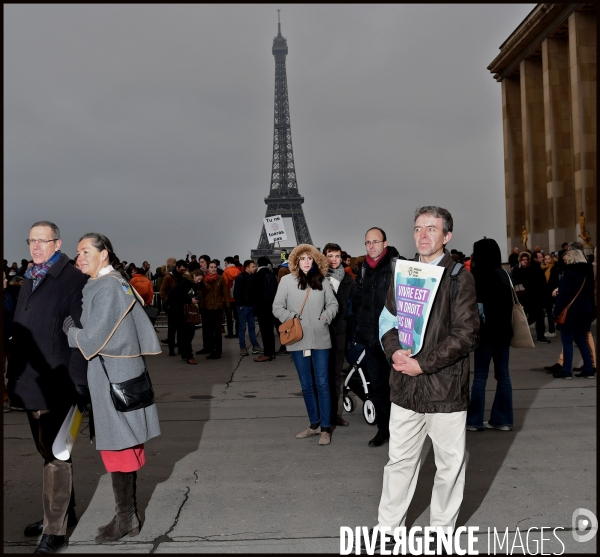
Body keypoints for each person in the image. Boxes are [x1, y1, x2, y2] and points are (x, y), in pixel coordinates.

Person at [374, 206, 479, 543]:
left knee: (448, 466)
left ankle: (441, 533)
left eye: (431, 229)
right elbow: (388, 320)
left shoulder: (459, 277)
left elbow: (465, 334)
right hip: (405, 386)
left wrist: (424, 363)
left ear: (446, 236)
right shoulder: (404, 272)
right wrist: (394, 352)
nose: (422, 235)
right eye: (418, 228)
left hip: (444, 389)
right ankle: (388, 531)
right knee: (399, 462)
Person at [65, 232, 161, 544]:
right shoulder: (113, 282)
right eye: (77, 252)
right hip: (120, 373)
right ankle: (127, 516)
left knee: (118, 447)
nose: (79, 257)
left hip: (111, 377)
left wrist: (70, 330)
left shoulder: (107, 287)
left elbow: (92, 341)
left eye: (85, 251)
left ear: (104, 253)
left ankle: (126, 518)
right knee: (123, 446)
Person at [6, 221, 89, 553]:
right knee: (46, 451)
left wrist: (79, 385)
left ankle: (55, 531)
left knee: (58, 455)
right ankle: (62, 513)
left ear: (58, 243)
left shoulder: (72, 280)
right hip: (30, 382)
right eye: (32, 240)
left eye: (44, 241)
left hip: (59, 384)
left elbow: (82, 337)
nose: (36, 246)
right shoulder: (31, 276)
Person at [272, 244, 338, 445]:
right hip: (297, 339)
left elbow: (333, 304)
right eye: (302, 259)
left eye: (310, 258)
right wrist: (291, 317)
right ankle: (314, 424)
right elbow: (276, 307)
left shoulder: (322, 280)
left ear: (315, 260)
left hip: (321, 339)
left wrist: (326, 317)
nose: (306, 262)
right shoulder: (286, 281)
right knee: (307, 385)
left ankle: (326, 428)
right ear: (296, 261)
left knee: (323, 384)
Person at [356, 227, 400, 447]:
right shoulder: (363, 269)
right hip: (371, 339)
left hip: (392, 339)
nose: (371, 246)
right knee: (378, 387)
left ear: (385, 243)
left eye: (375, 241)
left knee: (399, 386)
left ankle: (402, 431)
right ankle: (384, 429)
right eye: (367, 242)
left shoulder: (396, 266)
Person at [466, 238, 514, 431]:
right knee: (503, 375)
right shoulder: (503, 274)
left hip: (486, 333)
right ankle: (503, 419)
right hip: (504, 332)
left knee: (480, 376)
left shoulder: (479, 275)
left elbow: (477, 307)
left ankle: (475, 420)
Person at [323, 243, 358, 428]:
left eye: (337, 256)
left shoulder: (348, 280)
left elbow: (356, 305)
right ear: (324, 257)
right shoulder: (317, 278)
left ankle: (333, 414)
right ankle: (323, 414)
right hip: (321, 330)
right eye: (330, 255)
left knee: (336, 374)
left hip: (340, 331)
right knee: (322, 375)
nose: (334, 259)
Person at [551, 243, 596, 379]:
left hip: (571, 312)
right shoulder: (589, 273)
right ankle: (589, 369)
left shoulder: (569, 273)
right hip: (585, 310)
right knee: (581, 339)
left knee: (567, 340)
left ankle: (566, 371)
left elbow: (564, 296)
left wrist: (556, 311)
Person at [168, 269, 204, 365]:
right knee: (188, 334)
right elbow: (175, 294)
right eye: (199, 279)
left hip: (184, 312)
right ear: (194, 275)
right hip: (183, 312)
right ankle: (188, 355)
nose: (199, 281)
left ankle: (185, 353)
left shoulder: (190, 283)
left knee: (185, 334)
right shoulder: (186, 283)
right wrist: (189, 300)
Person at [512, 251, 549, 343]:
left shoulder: (534, 268)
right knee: (539, 317)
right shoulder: (532, 269)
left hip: (534, 297)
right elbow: (522, 280)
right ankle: (540, 337)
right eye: (540, 257)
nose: (542, 259)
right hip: (535, 297)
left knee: (534, 317)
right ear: (535, 258)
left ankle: (518, 332)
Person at [198, 260, 229, 359]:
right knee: (208, 330)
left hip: (217, 307)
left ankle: (218, 351)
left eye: (215, 267)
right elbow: (201, 294)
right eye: (211, 267)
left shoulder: (221, 279)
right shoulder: (203, 280)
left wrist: (227, 306)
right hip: (206, 307)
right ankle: (212, 349)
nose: (213, 269)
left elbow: (225, 293)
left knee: (217, 330)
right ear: (207, 269)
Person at [233, 260, 263, 357]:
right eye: (253, 266)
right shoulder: (240, 277)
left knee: (251, 327)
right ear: (247, 267)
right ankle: (243, 347)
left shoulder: (252, 277)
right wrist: (240, 304)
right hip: (244, 306)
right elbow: (236, 292)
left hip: (250, 305)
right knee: (243, 328)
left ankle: (253, 346)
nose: (255, 268)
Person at [251, 257, 278, 362]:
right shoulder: (272, 275)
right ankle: (272, 352)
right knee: (270, 331)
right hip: (272, 307)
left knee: (264, 331)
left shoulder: (257, 276)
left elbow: (254, 293)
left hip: (262, 308)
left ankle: (267, 354)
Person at [162, 260, 187, 356]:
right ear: (177, 267)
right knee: (172, 329)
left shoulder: (183, 277)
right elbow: (162, 291)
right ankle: (171, 349)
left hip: (180, 305)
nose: (183, 271)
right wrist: (167, 303)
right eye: (181, 269)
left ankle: (180, 348)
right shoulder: (168, 277)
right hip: (172, 306)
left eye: (184, 269)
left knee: (180, 329)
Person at [222, 256, 242, 338]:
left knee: (229, 317)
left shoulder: (225, 272)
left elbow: (225, 285)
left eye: (225, 263)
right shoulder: (238, 271)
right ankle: (237, 332)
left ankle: (230, 332)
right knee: (237, 317)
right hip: (236, 298)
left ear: (227, 262)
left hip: (227, 298)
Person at [541, 253, 559, 338]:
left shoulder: (554, 268)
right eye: (545, 259)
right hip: (545, 293)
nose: (547, 261)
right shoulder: (543, 269)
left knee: (550, 311)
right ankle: (551, 330)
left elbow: (554, 282)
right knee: (548, 312)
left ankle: (552, 330)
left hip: (550, 293)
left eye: (548, 259)